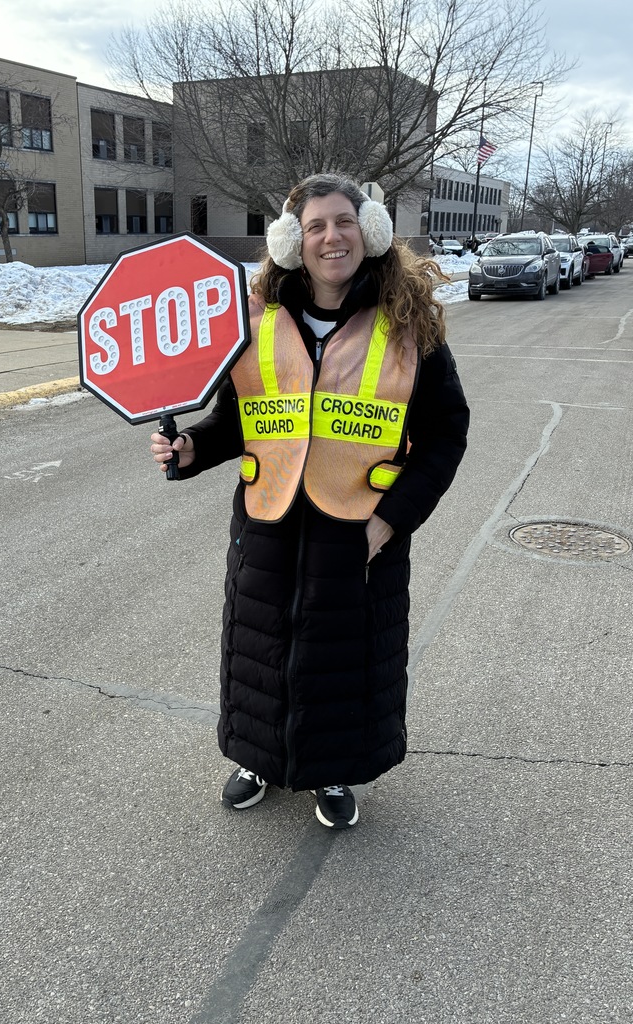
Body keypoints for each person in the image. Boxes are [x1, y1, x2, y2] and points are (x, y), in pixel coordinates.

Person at [150, 172, 469, 830]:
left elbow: (446, 435)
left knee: (342, 663)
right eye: (316, 225)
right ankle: (258, 760)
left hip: (359, 533)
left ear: (371, 231)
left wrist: (392, 520)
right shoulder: (258, 322)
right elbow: (237, 420)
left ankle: (332, 774)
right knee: (260, 652)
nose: (332, 237)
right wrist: (191, 452)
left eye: (344, 222)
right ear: (293, 239)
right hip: (266, 526)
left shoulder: (409, 328)